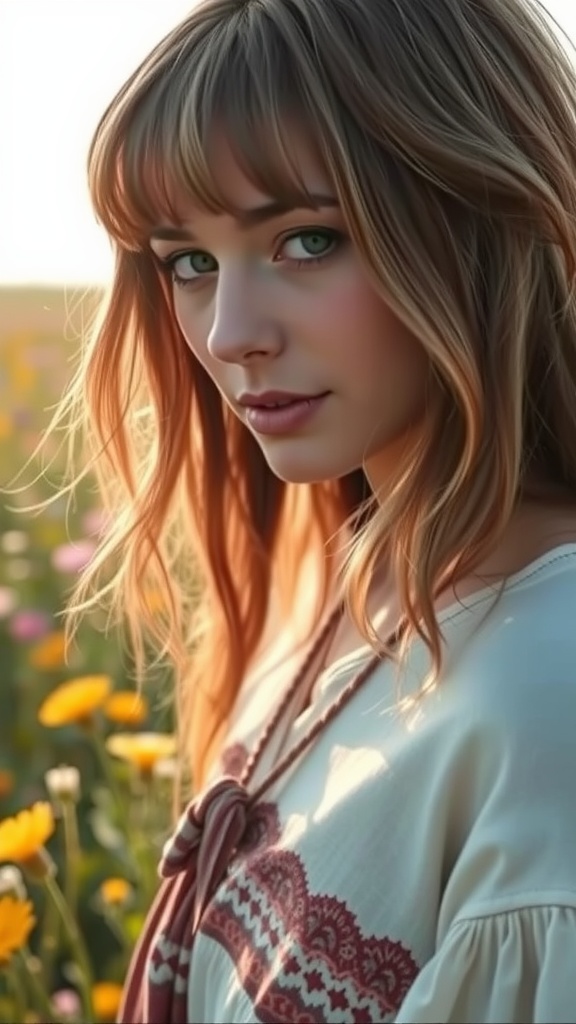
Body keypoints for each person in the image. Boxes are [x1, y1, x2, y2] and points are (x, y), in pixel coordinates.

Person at [52, 0, 576, 1019]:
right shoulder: (336, 575)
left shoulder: (548, 695)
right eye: (188, 262)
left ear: (481, 220)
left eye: (307, 238)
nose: (229, 333)